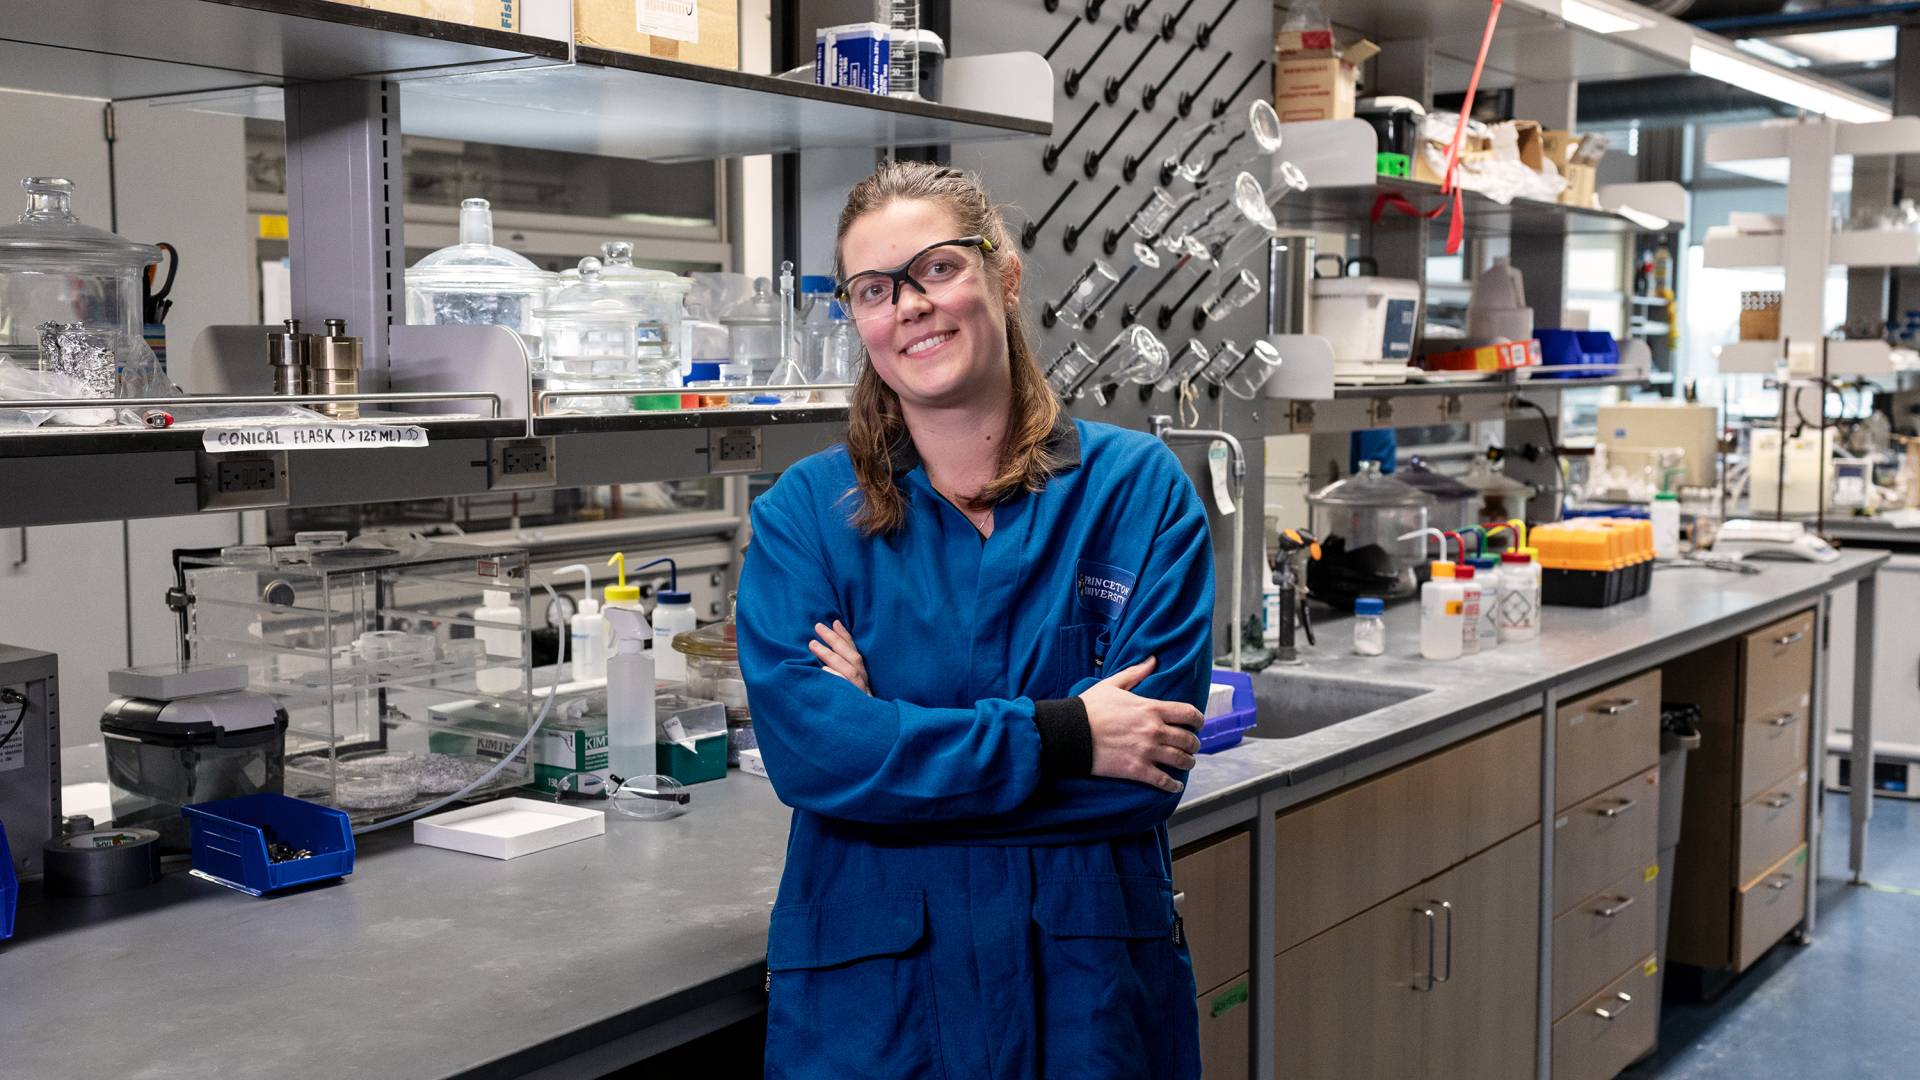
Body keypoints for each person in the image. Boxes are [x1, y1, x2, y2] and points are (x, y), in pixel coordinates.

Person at [737, 160, 1216, 1079]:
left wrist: (892, 746)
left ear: (1003, 275)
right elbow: (813, 756)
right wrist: (1067, 729)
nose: (909, 305)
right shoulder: (805, 514)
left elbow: (1141, 776)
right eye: (875, 289)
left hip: (1085, 995)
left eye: (938, 268)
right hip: (879, 1006)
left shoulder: (1137, 493)